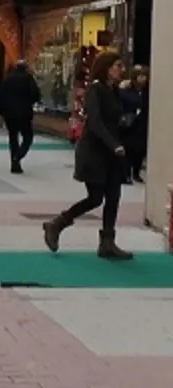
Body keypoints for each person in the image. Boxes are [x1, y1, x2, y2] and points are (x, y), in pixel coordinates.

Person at [41, 52, 133, 260]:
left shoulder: (113, 90)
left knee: (114, 197)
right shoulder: (95, 90)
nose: (121, 69)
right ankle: (57, 223)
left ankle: (107, 242)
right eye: (118, 65)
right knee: (95, 198)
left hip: (112, 154)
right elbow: (95, 122)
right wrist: (113, 144)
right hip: (95, 152)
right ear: (107, 68)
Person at [0, 60, 41, 174]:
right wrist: (29, 102)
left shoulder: (7, 79)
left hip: (9, 113)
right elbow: (35, 94)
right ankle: (19, 155)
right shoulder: (28, 78)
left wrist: (1, 110)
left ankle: (14, 163)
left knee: (13, 138)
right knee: (28, 136)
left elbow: (0, 95)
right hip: (24, 113)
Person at [118, 65, 149, 184]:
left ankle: (136, 172)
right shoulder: (127, 90)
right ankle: (126, 174)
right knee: (129, 149)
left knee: (140, 150)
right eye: (140, 76)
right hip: (130, 124)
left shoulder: (147, 92)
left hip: (142, 123)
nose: (143, 79)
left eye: (144, 76)